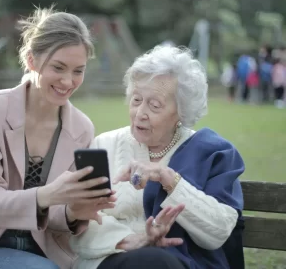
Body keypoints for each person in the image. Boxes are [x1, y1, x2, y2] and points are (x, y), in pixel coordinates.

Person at [70, 46, 246, 269]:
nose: (140, 113)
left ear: (181, 112)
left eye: (154, 105)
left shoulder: (212, 153)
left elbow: (219, 231)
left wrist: (170, 180)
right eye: (136, 100)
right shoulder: (104, 145)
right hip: (110, 259)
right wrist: (134, 240)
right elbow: (82, 219)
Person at [0, 6, 117, 269]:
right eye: (59, 67)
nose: (68, 81)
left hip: (48, 254)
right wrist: (46, 195)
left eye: (78, 71)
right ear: (32, 60)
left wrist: (73, 212)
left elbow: (55, 215)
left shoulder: (81, 127)